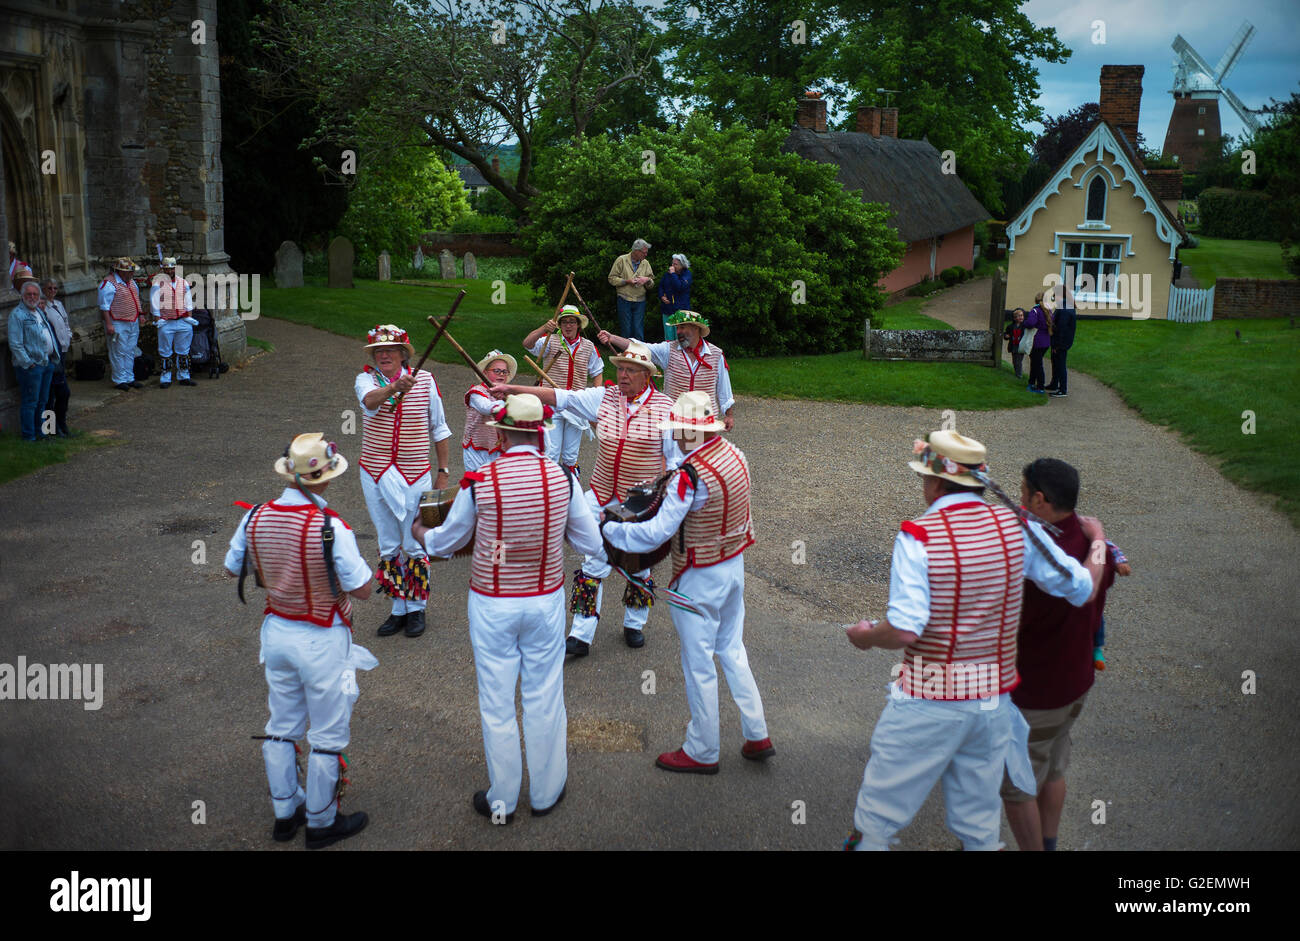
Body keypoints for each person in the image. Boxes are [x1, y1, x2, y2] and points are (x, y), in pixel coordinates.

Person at [841, 430, 1111, 851]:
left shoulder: (919, 535)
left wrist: (866, 636)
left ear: (933, 483)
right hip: (992, 706)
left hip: (929, 700)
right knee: (979, 830)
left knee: (876, 823)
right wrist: (1098, 546)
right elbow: (1080, 588)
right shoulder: (1015, 525)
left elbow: (905, 629)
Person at [414, 394, 603, 823]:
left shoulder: (480, 481)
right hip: (545, 599)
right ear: (541, 434)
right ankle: (546, 791)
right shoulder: (562, 480)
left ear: (500, 432)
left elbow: (445, 543)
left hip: (493, 601)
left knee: (497, 701)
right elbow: (590, 544)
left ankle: (503, 798)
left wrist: (421, 531)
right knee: (545, 693)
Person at [602, 391, 773, 774]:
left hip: (697, 574)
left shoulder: (689, 476)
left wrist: (610, 531)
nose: (675, 437)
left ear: (690, 430)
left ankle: (702, 749)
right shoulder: (735, 455)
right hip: (733, 565)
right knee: (732, 648)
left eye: (679, 430)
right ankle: (756, 732)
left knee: (698, 663)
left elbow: (655, 535)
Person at [223, 433, 375, 849]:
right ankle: (322, 822)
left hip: (276, 630)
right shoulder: (331, 526)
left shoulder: (254, 516)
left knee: (282, 724)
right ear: (323, 479)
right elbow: (361, 588)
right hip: (322, 635)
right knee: (327, 732)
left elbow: (232, 564)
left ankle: (285, 813)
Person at [490, 339, 677, 657]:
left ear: (648, 376)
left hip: (640, 503)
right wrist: (514, 390)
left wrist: (662, 498)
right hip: (603, 495)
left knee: (639, 564)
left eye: (631, 370)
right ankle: (580, 635)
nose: (623, 375)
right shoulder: (603, 398)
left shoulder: (667, 409)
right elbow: (560, 397)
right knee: (593, 561)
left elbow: (674, 463)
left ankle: (634, 622)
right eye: (621, 369)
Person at [1000, 459, 1119, 851]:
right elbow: (1102, 577)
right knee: (1052, 769)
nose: (1018, 501)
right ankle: (1049, 844)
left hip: (1037, 691)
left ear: (1039, 498)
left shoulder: (1034, 549)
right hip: (1077, 681)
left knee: (1018, 789)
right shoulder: (1088, 540)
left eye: (1022, 493)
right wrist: (1100, 536)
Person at [354, 324, 452, 639]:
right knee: (388, 542)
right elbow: (369, 402)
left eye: (391, 350)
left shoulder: (425, 380)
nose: (384, 355)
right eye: (378, 351)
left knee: (413, 541)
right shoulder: (365, 380)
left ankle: (417, 607)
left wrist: (443, 470)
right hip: (374, 470)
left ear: (402, 354)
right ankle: (398, 607)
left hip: (415, 471)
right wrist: (394, 389)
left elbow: (439, 428)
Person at [599, 309, 735, 431]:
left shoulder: (716, 354)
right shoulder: (668, 350)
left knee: (701, 458)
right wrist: (612, 338)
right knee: (673, 458)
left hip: (704, 422)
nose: (678, 332)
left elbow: (724, 388)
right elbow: (640, 348)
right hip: (674, 421)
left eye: (682, 327)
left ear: (695, 328)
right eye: (677, 328)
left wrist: (729, 415)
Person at [521, 305, 604, 474]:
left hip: (576, 404)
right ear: (559, 324)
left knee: (571, 456)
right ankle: (549, 490)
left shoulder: (588, 346)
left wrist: (596, 398)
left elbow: (597, 372)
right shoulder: (549, 340)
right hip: (552, 403)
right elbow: (527, 343)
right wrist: (544, 328)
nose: (568, 326)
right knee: (551, 453)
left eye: (572, 322)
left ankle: (570, 490)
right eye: (564, 322)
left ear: (578, 325)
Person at [8, 276, 59, 442]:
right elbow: (15, 344)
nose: (32, 297)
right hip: (32, 366)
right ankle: (29, 436)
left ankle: (41, 433)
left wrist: (52, 357)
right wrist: (28, 364)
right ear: (23, 296)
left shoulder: (38, 311)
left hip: (46, 362)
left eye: (35, 294)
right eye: (29, 294)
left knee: (42, 401)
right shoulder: (17, 315)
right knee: (31, 402)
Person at [463, 349, 518, 473]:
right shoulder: (476, 393)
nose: (501, 374)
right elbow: (486, 408)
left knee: (498, 485)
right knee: (477, 485)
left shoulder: (509, 394)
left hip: (499, 449)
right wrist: (506, 402)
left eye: (504, 372)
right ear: (484, 372)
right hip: (477, 450)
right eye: (496, 371)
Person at [149, 256, 198, 389]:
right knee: (165, 351)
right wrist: (158, 319)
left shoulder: (183, 282)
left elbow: (188, 302)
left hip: (183, 320)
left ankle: (184, 376)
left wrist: (189, 317)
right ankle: (165, 378)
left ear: (175, 268)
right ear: (163, 269)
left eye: (171, 269)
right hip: (166, 322)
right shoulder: (157, 284)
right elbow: (154, 303)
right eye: (167, 269)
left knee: (183, 350)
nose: (169, 271)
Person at [98, 257, 144, 391]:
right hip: (117, 321)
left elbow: (136, 299)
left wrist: (140, 315)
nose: (132, 274)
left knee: (130, 350)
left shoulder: (131, 283)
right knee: (118, 351)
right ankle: (120, 379)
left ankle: (129, 377)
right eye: (130, 272)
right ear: (121, 272)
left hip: (132, 320)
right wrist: (109, 324)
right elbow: (104, 307)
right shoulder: (108, 284)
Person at [39, 279, 74, 438]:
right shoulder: (42, 307)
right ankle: (51, 428)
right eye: (49, 288)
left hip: (62, 351)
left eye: (55, 288)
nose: (52, 290)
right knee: (51, 393)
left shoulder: (59, 305)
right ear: (43, 290)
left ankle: (61, 423)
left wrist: (68, 337)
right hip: (52, 355)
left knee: (62, 392)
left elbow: (66, 324)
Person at [608, 238, 655, 342]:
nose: (646, 255)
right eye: (644, 252)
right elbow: (611, 279)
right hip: (624, 300)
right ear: (636, 251)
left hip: (640, 301)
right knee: (626, 331)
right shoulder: (622, 260)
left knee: (638, 331)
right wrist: (626, 281)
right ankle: (626, 356)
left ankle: (639, 356)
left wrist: (646, 280)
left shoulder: (646, 263)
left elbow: (651, 283)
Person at [1022, 292, 1053, 394]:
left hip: (1036, 341)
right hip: (1046, 341)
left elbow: (1030, 323)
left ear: (1036, 300)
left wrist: (1024, 323)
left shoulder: (1035, 311)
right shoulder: (1049, 311)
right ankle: (1031, 383)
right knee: (1036, 363)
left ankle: (1040, 387)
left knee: (1037, 364)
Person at [658, 253, 692, 342]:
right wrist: (662, 296)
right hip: (668, 309)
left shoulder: (687, 275)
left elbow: (680, 287)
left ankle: (682, 355)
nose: (672, 266)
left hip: (681, 310)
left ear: (682, 265)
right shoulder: (668, 274)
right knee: (669, 337)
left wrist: (673, 274)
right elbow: (661, 286)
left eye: (675, 264)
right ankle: (669, 355)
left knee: (681, 337)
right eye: (672, 263)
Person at [1045, 302, 1076, 397]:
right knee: (1056, 362)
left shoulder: (1064, 310)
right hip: (1062, 341)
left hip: (1061, 343)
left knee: (1060, 364)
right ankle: (1054, 384)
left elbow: (1061, 328)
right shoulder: (1066, 307)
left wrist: (1056, 345)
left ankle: (1062, 389)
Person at [1003, 307, 1026, 379]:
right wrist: (1006, 336)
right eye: (1018, 316)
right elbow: (1006, 335)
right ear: (1014, 318)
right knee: (1014, 361)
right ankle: (1017, 372)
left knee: (1018, 360)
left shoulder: (1024, 326)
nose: (1021, 317)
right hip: (1013, 345)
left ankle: (1019, 375)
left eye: (1022, 315)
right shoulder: (1010, 327)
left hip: (1021, 346)